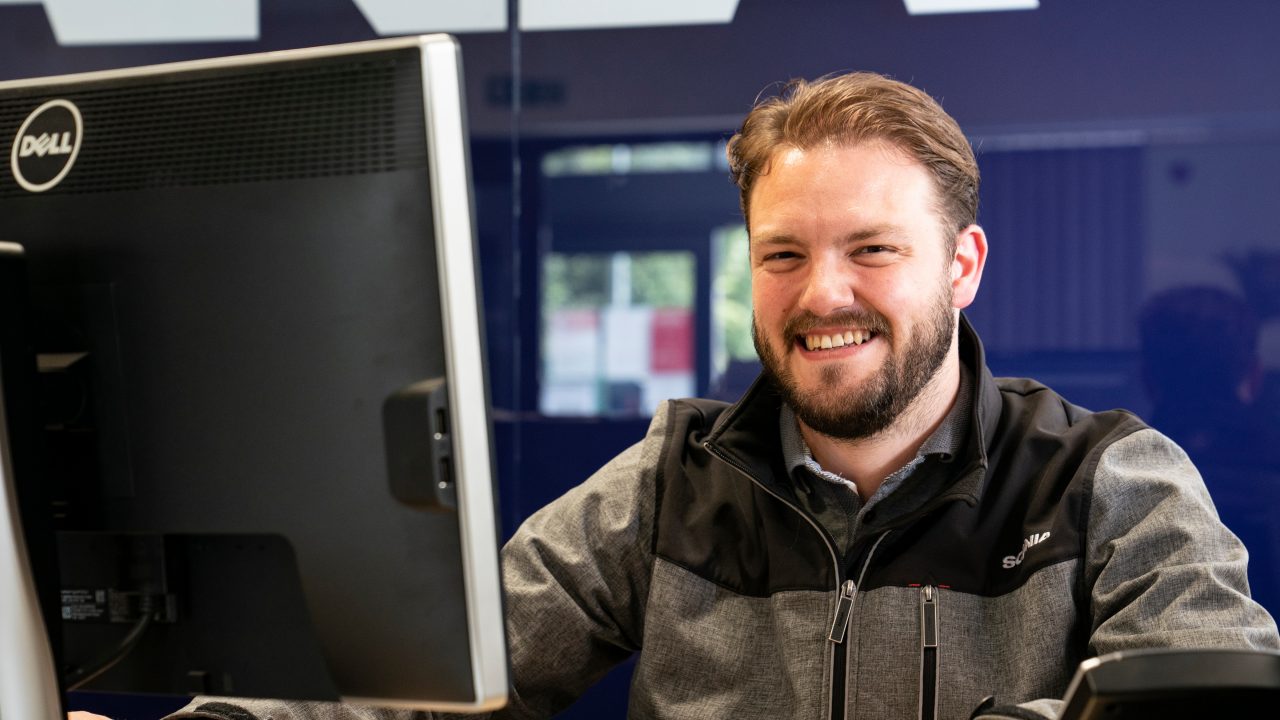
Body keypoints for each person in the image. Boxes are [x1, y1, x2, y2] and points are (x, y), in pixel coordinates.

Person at [119, 72, 1280, 720]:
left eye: (870, 249)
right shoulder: (671, 486)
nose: (821, 293)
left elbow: (1206, 699)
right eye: (781, 256)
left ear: (962, 265)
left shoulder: (1104, 481)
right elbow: (441, 685)